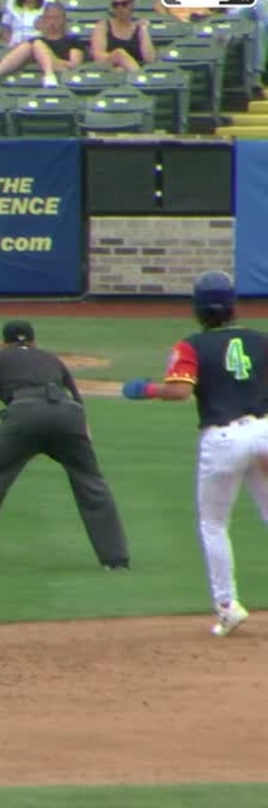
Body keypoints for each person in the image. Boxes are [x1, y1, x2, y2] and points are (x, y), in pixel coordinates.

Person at [121, 271, 266, 637]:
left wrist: (145, 389)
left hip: (222, 439)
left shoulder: (191, 346)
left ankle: (227, 606)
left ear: (198, 309)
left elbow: (179, 392)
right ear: (234, 306)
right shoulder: (261, 341)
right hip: (265, 432)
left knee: (214, 524)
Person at [0, 320, 130, 574]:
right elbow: (78, 405)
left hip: (24, 416)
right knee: (92, 485)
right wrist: (87, 452)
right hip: (67, 416)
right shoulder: (52, 359)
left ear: (2, 344)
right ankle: (116, 560)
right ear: (34, 342)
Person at [0, 3, 83, 88]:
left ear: (64, 19)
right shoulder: (34, 41)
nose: (52, 22)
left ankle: (49, 74)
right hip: (35, 75)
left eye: (56, 18)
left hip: (61, 73)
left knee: (37, 44)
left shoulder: (72, 41)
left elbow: (73, 65)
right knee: (28, 45)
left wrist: (49, 59)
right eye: (49, 18)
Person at [90, 0, 155, 73]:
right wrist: (118, 58)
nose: (120, 8)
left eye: (124, 4)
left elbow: (149, 59)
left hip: (135, 67)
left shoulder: (139, 28)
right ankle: (136, 74)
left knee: (121, 69)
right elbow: (98, 56)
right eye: (116, 5)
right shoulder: (103, 26)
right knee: (119, 55)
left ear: (131, 4)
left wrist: (144, 30)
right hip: (110, 70)